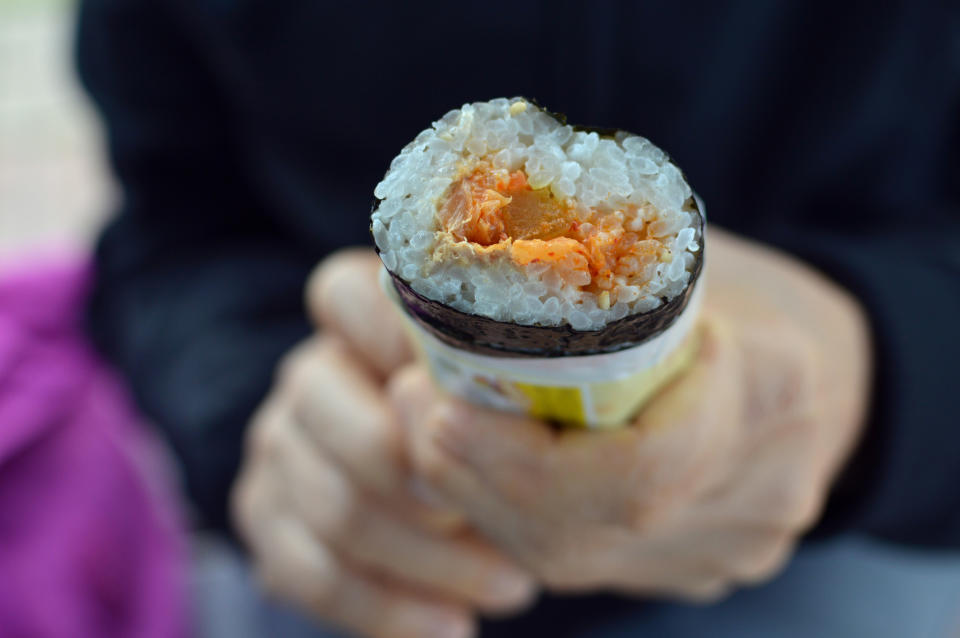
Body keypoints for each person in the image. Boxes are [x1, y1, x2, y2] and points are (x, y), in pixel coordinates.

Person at [76, 1, 960, 637]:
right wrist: (248, 413)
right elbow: (171, 218)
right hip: (357, 530)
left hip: (860, 519)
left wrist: (887, 375)